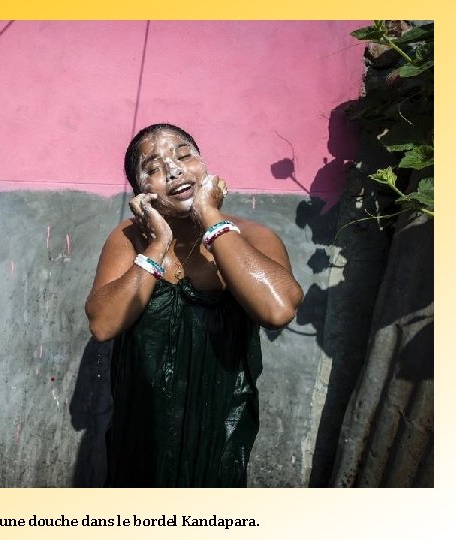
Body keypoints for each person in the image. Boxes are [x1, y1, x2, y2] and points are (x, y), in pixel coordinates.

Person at [84, 123, 304, 486]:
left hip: (220, 427)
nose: (174, 170)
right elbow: (103, 325)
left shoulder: (251, 236)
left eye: (184, 155)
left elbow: (278, 310)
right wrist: (157, 245)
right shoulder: (129, 239)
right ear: (142, 192)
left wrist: (212, 219)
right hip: (142, 431)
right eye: (153, 168)